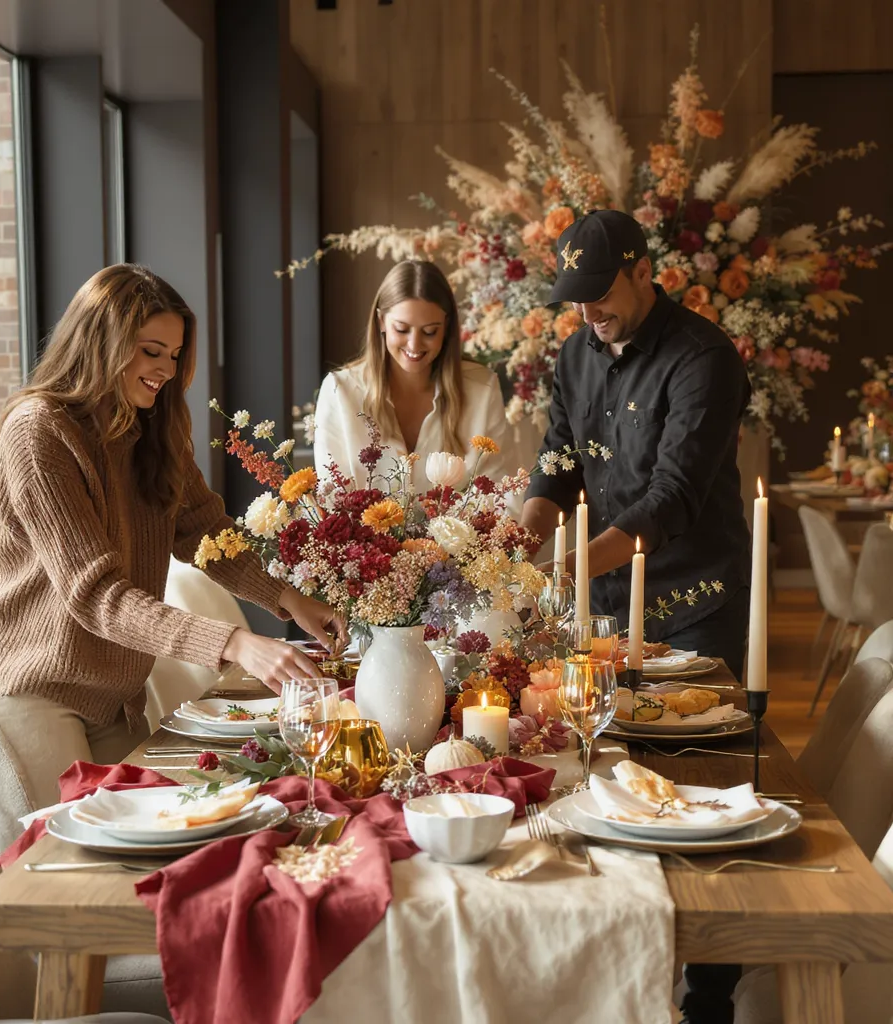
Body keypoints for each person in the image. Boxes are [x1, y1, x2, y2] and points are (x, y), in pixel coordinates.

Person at [0, 264, 345, 853]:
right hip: (25, 692)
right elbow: (97, 596)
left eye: (175, 354)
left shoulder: (149, 431)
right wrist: (234, 643)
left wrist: (291, 601)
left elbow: (205, 532)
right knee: (64, 880)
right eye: (151, 351)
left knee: (142, 863)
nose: (166, 369)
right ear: (103, 343)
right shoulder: (38, 433)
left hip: (112, 695)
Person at [520, 210, 751, 1024]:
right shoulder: (575, 355)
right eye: (576, 299)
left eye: (601, 293)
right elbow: (555, 462)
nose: (589, 313)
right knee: (612, 782)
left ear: (643, 269)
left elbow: (674, 496)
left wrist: (566, 566)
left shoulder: (704, 357)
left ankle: (712, 994)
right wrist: (511, 540)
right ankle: (626, 974)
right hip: (609, 607)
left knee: (703, 797)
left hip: (697, 603)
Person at [313, 260, 519, 499]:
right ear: (381, 321)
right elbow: (332, 500)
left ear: (447, 326)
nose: (414, 345)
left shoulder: (481, 389)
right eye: (401, 329)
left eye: (430, 331)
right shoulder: (341, 392)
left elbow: (503, 493)